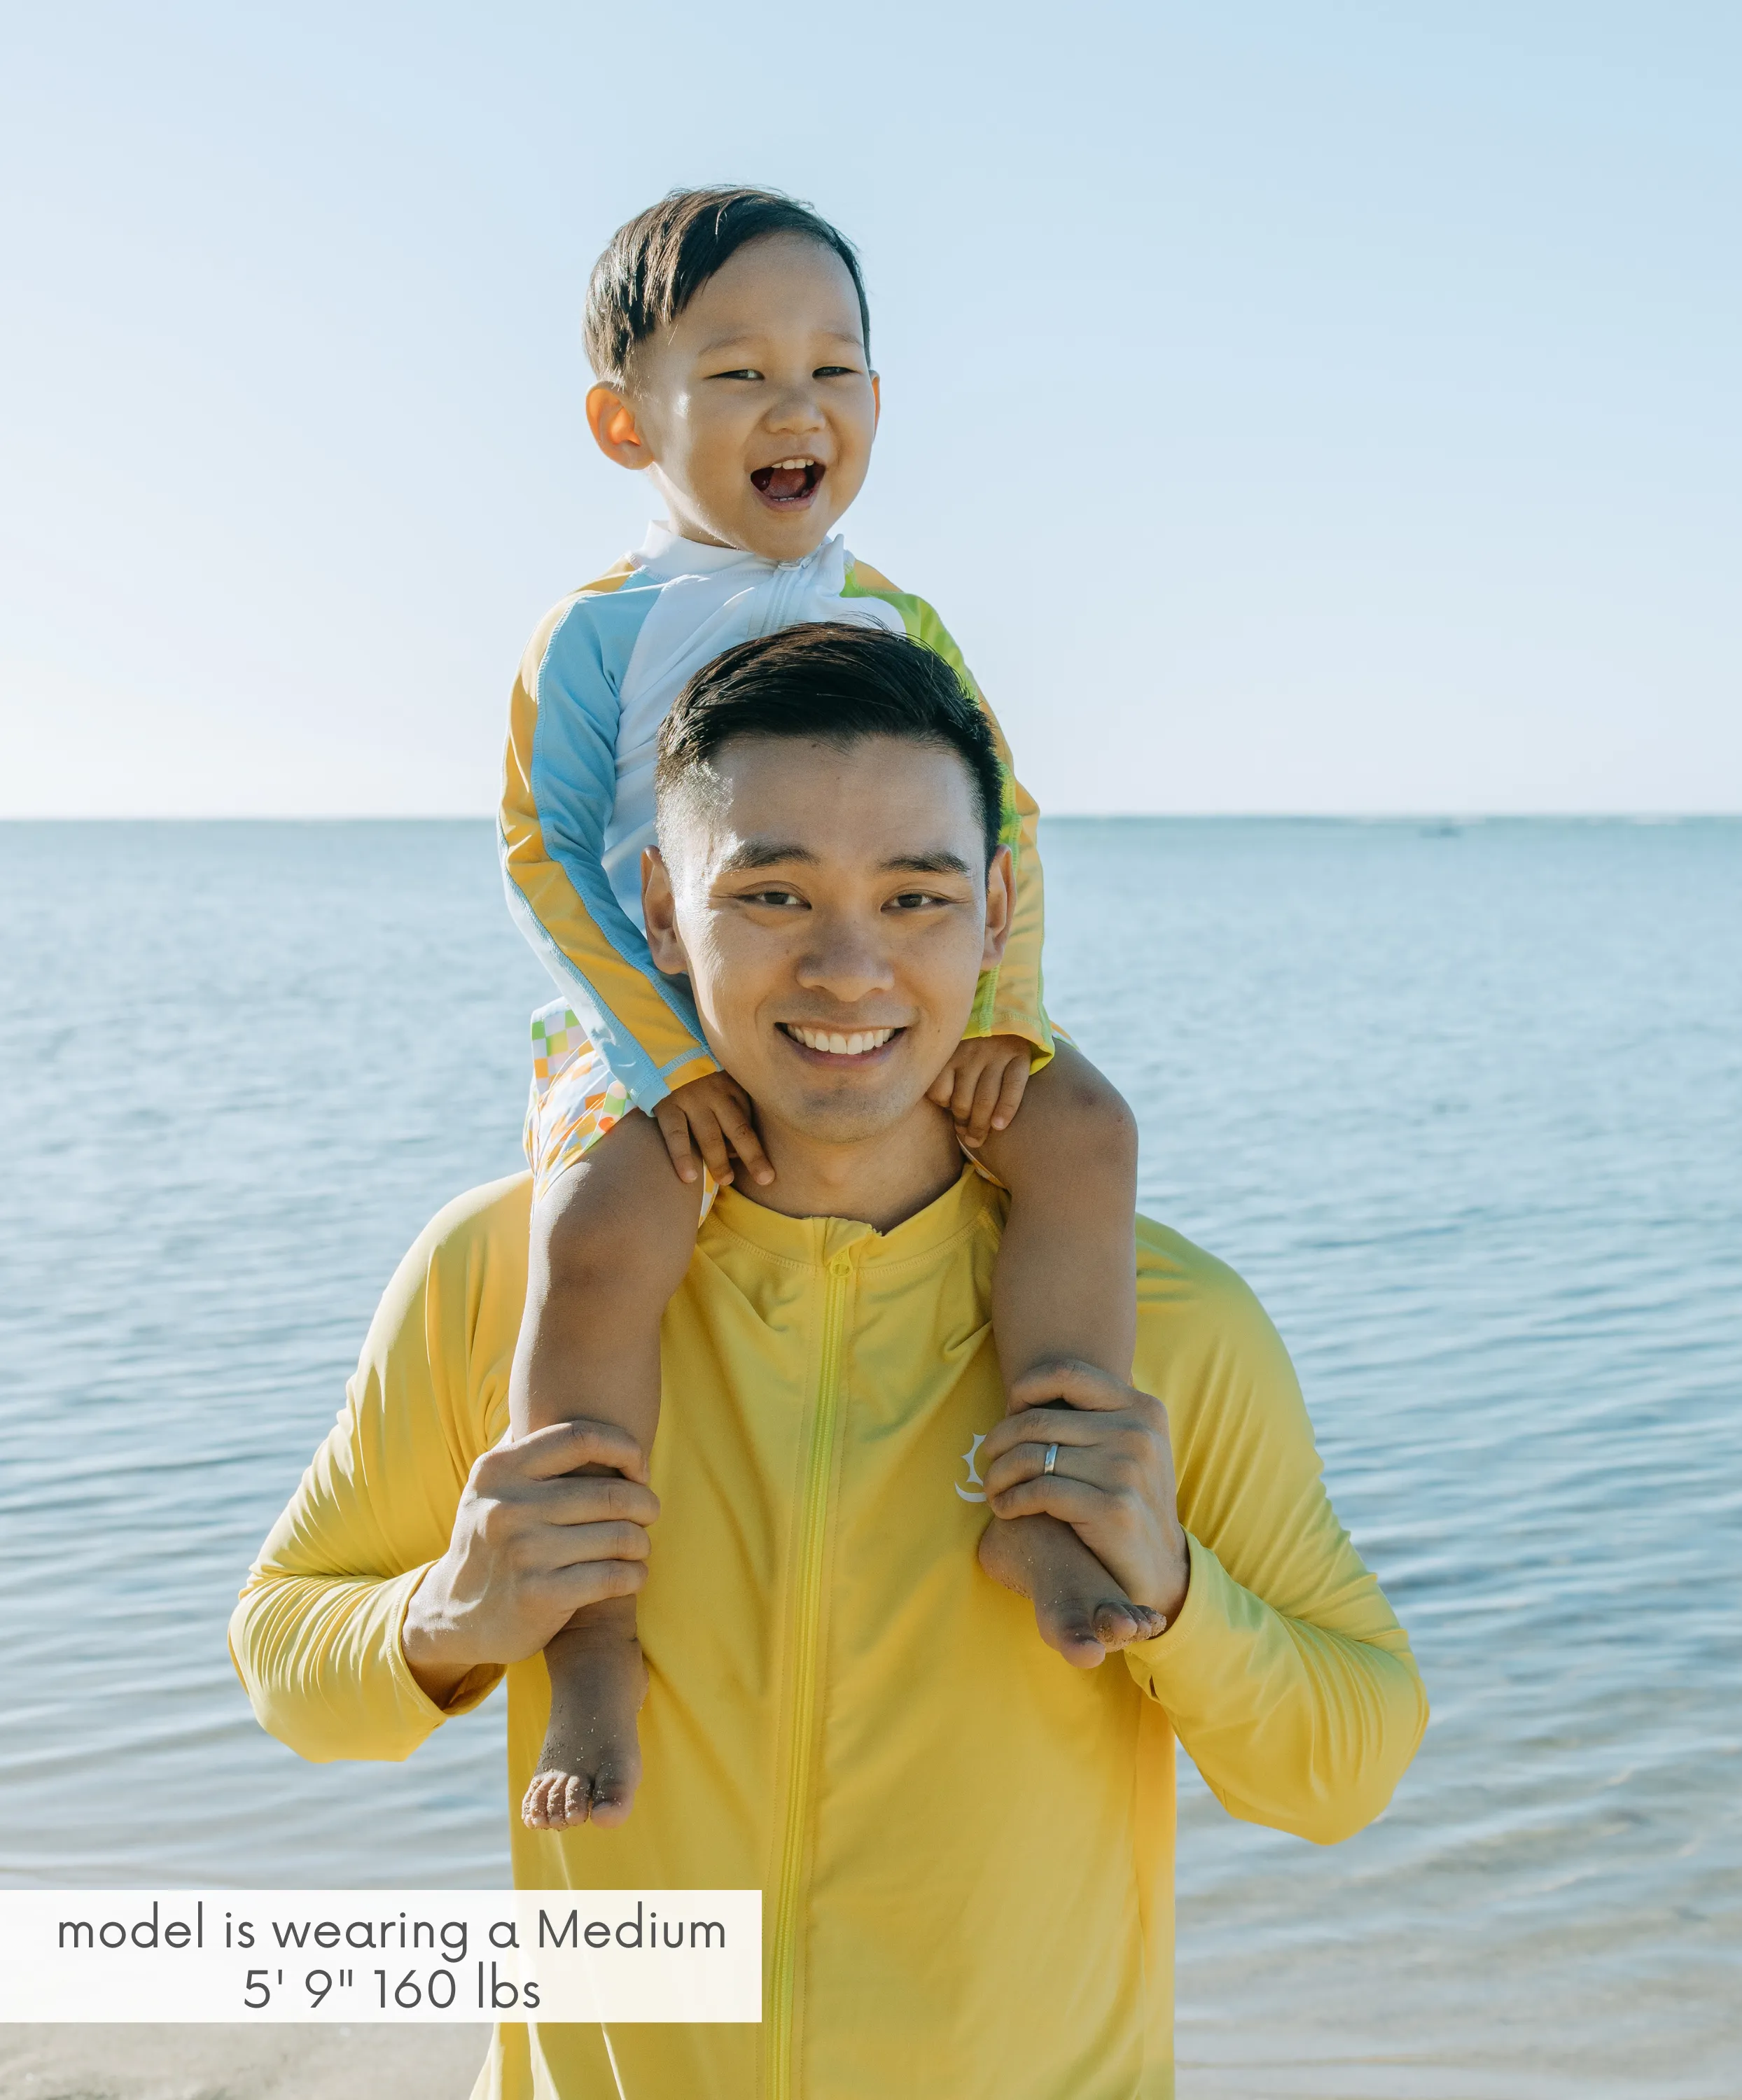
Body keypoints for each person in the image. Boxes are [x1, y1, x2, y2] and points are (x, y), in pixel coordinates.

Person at [230, 622, 1428, 2100]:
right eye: (775, 893)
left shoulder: (1166, 1320)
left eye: (915, 897)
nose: (850, 968)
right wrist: (447, 1618)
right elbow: (285, 1662)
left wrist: (1179, 1598)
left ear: (996, 910)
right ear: (664, 910)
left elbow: (1347, 1767)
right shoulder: (506, 1276)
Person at [501, 186, 1148, 1833]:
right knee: (598, 1234)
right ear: (623, 419)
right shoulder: (596, 636)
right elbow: (546, 854)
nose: (797, 408)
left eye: (836, 368)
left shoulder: (902, 623)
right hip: (658, 1032)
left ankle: (1057, 1503)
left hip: (883, 1016)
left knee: (1083, 1131)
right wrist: (658, 1063)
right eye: (736, 374)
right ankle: (591, 1634)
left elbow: (1003, 829)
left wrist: (1005, 1013)